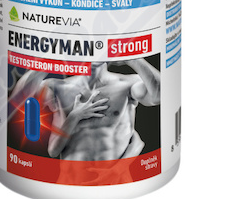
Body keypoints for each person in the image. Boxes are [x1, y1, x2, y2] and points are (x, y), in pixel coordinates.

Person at [9, 58, 160, 184]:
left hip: (117, 181)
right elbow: (18, 99)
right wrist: (49, 56)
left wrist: (132, 58)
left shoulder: (127, 84)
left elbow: (159, 95)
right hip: (71, 181)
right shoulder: (58, 88)